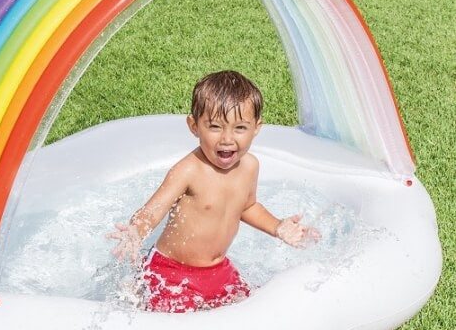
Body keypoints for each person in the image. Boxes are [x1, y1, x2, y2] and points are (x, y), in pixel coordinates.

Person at [108, 70, 320, 313]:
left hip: (218, 270)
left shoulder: (250, 166)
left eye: (240, 128)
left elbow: (248, 206)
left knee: (253, 310)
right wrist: (137, 230)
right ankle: (135, 289)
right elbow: (153, 210)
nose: (227, 139)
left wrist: (278, 226)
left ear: (256, 128)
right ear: (194, 126)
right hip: (171, 271)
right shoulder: (188, 171)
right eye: (215, 127)